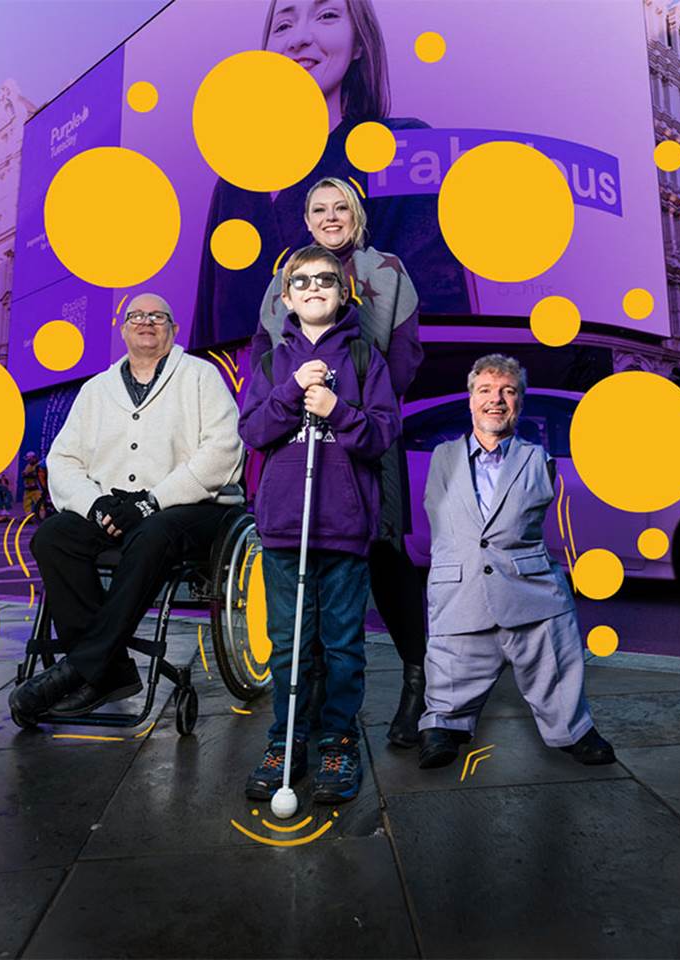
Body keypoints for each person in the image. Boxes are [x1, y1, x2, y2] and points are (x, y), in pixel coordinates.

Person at [8, 293, 245, 724]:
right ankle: (112, 671)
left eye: (158, 316)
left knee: (154, 533)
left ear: (173, 329)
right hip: (114, 506)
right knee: (53, 537)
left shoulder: (200, 376)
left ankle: (82, 668)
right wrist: (96, 504)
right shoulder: (96, 389)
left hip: (192, 506)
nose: (147, 322)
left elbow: (223, 449)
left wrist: (153, 502)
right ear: (123, 330)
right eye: (137, 315)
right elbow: (63, 461)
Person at [252, 176, 427, 746]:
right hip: (296, 440)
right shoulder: (285, 276)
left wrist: (352, 397)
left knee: (384, 549)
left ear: (356, 215)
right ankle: (314, 711)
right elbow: (263, 358)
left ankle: (416, 680)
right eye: (319, 210)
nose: (331, 217)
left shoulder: (388, 271)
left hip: (363, 427)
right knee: (306, 576)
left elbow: (403, 359)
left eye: (341, 208)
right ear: (307, 220)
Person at [189, 0, 473, 350]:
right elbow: (206, 338)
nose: (297, 39)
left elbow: (437, 325)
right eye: (282, 26)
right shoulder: (235, 184)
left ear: (358, 43)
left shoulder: (406, 151)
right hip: (246, 401)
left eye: (326, 16)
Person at [239, 245, 400, 802]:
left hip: (343, 528)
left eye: (325, 280)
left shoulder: (363, 359)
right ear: (286, 297)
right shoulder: (268, 364)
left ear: (342, 291)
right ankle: (287, 738)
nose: (313, 288)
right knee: (289, 645)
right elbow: (254, 430)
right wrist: (290, 392)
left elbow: (382, 434)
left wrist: (336, 409)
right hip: (286, 528)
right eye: (301, 281)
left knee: (342, 646)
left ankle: (337, 739)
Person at [418, 354, 615, 769]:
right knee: (452, 665)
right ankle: (443, 725)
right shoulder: (442, 458)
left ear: (519, 404)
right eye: (486, 390)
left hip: (528, 584)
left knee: (553, 649)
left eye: (508, 391)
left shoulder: (537, 460)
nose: (497, 400)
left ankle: (573, 729)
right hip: (461, 585)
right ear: (470, 400)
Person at [21, 452, 42, 517]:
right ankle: (28, 516)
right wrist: (24, 475)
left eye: (30, 459)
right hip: (28, 489)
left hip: (36, 489)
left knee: (39, 503)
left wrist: (28, 475)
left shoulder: (39, 465)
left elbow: (37, 474)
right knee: (26, 503)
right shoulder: (28, 466)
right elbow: (25, 473)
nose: (29, 461)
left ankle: (41, 516)